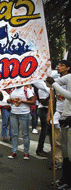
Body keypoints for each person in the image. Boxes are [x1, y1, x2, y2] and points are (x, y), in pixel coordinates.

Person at [46, 60, 71, 189]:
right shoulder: (68, 77)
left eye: (62, 65)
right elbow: (50, 85)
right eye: (59, 65)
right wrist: (46, 78)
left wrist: (54, 84)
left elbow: (68, 95)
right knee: (66, 153)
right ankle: (64, 179)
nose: (59, 67)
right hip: (64, 118)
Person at [6, 85, 36, 160]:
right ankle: (14, 151)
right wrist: (9, 101)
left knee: (25, 134)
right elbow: (9, 100)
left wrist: (22, 101)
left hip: (24, 114)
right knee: (14, 133)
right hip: (13, 114)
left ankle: (26, 152)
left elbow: (33, 101)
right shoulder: (12, 90)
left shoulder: (26, 90)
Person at [33, 82, 51, 157]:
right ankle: (39, 150)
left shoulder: (47, 88)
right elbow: (43, 102)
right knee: (44, 130)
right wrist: (51, 96)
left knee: (49, 131)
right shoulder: (42, 89)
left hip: (47, 110)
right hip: (43, 110)